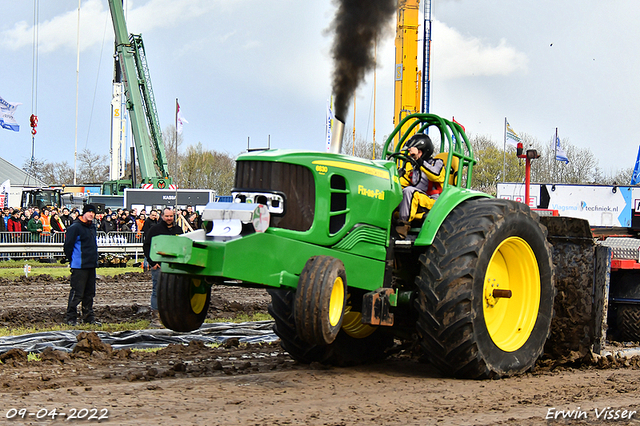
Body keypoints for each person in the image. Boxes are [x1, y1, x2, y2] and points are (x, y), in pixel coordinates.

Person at [395, 133, 445, 239]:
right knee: (394, 192)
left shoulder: (437, 163)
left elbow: (436, 176)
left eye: (412, 154)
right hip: (415, 201)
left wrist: (419, 161)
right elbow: (401, 183)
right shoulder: (414, 169)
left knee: (409, 191)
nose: (410, 157)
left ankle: (402, 228)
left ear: (421, 152)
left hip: (433, 203)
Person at [143, 208, 183, 326]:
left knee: (174, 290)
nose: (169, 218)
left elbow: (182, 245)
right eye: (167, 216)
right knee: (157, 290)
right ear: (162, 216)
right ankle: (156, 318)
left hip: (174, 266)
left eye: (171, 216)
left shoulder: (178, 230)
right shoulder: (155, 229)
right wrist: (152, 262)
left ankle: (171, 316)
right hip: (159, 266)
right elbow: (146, 246)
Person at [63, 204, 100, 326]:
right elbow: (68, 246)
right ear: (83, 213)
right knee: (77, 293)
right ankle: (71, 317)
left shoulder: (92, 227)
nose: (91, 215)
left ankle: (88, 317)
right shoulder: (75, 227)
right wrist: (71, 260)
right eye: (89, 212)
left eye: (93, 213)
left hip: (91, 264)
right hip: (79, 265)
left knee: (89, 293)